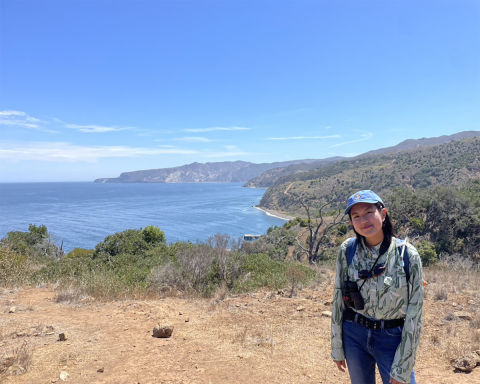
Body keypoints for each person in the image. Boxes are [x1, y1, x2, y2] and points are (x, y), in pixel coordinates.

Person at [331, 190, 424, 384]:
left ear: (383, 214)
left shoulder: (407, 254)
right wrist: (337, 346)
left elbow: (415, 313)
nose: (363, 220)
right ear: (351, 223)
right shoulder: (347, 250)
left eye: (368, 212)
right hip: (354, 334)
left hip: (392, 338)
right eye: (356, 216)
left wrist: (403, 366)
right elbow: (338, 298)